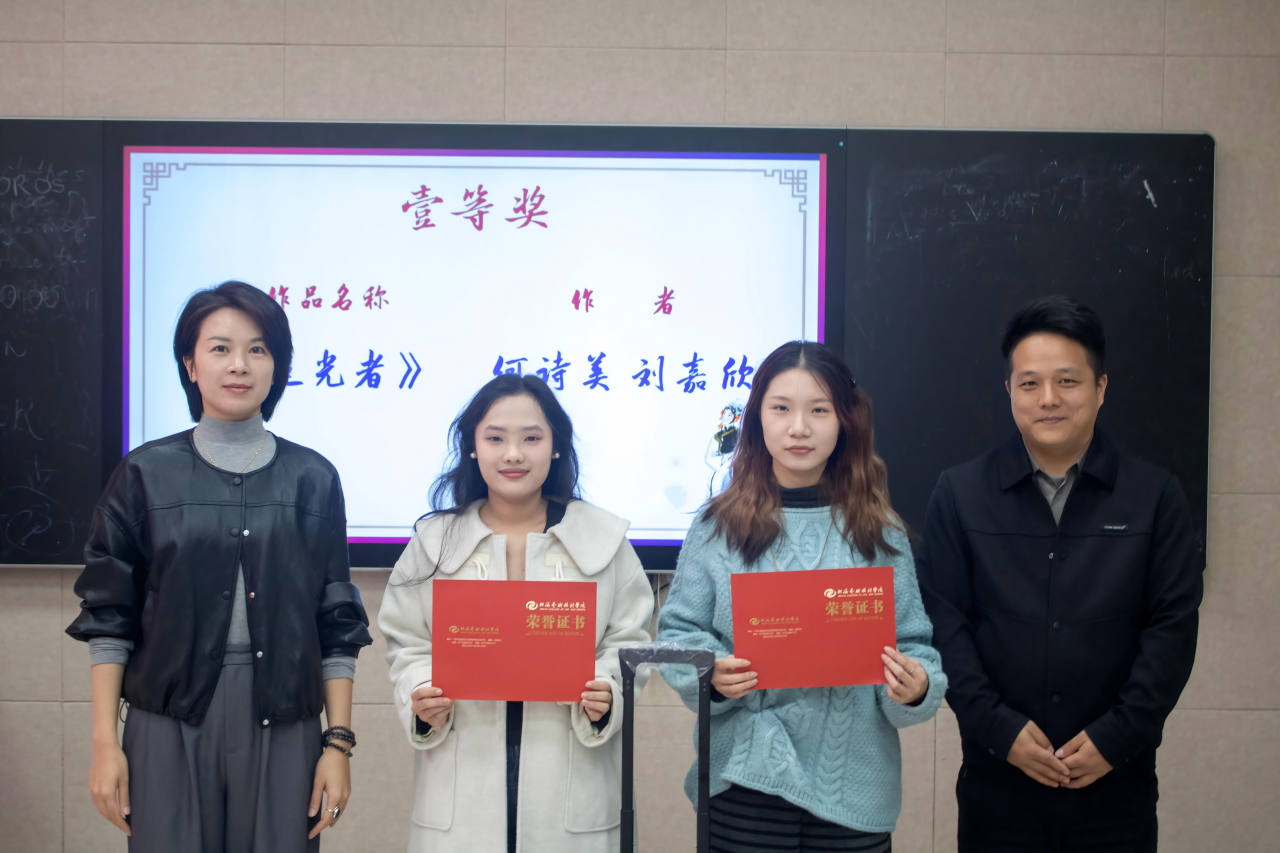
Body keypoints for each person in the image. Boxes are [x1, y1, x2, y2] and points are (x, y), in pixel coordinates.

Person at [66, 280, 372, 852]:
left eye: (258, 349)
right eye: (220, 348)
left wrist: (337, 744)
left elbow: (335, 623)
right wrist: (106, 743)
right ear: (190, 364)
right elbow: (109, 617)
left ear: (277, 367)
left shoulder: (314, 478)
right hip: (168, 718)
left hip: (286, 717)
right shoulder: (143, 474)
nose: (239, 365)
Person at [917, 296, 1203, 852]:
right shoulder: (960, 494)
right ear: (1009, 390)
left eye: (1067, 381)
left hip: (1115, 790)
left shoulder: (1155, 497)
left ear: (1100, 387)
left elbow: (1172, 630)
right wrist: (999, 730)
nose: (1048, 398)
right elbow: (945, 624)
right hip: (997, 787)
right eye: (1029, 383)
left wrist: (1117, 737)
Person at [658, 340, 945, 853]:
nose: (799, 428)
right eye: (781, 409)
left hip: (852, 788)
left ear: (846, 421)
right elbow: (678, 633)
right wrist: (712, 674)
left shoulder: (880, 530)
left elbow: (915, 645)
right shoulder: (716, 525)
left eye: (819, 410)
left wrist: (917, 685)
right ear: (757, 419)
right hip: (743, 787)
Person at [378, 373, 654, 853]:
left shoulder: (603, 540)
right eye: (495, 438)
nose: (512, 454)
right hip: (463, 781)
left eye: (531, 438)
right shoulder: (433, 544)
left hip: (571, 783)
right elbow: (407, 642)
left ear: (556, 447)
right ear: (472, 447)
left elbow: (630, 642)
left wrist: (607, 690)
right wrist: (420, 693)